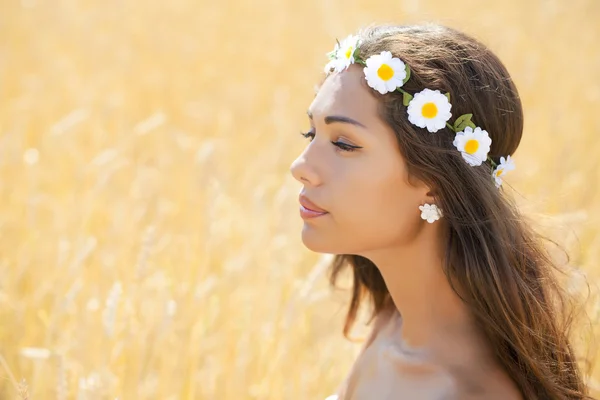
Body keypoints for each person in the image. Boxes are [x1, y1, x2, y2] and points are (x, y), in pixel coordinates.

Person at [289, 24, 593, 399]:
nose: (301, 166)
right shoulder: (393, 323)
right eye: (311, 134)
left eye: (344, 144)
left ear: (436, 181)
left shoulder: (458, 391)